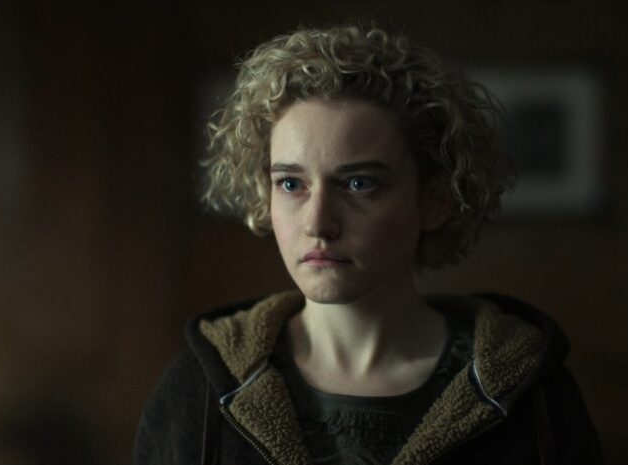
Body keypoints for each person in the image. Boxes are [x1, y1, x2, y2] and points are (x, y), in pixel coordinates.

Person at [132, 25, 601, 465]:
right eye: (291, 184)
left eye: (358, 183)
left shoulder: (530, 394)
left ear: (434, 200)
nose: (318, 223)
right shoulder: (199, 391)